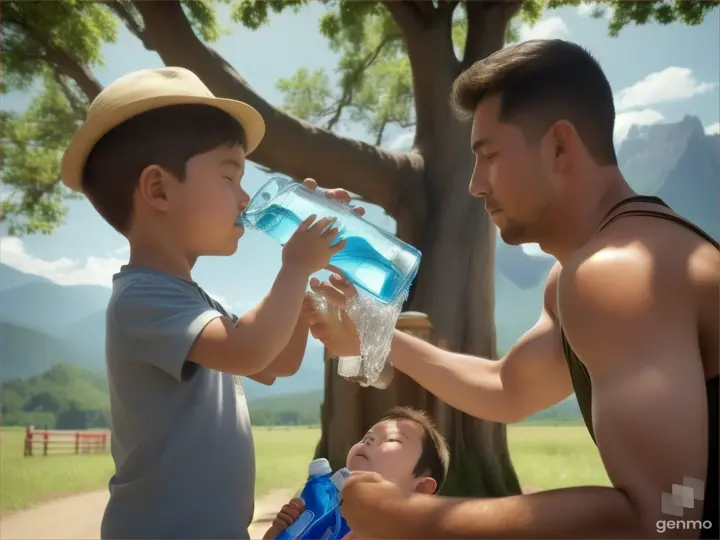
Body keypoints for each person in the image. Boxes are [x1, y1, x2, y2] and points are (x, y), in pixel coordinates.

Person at [307, 39, 719, 539]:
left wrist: (407, 516)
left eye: (490, 155)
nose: (476, 184)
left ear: (560, 146)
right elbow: (508, 388)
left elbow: (665, 519)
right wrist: (376, 334)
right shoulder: (584, 271)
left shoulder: (617, 274)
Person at [59, 66, 363, 539]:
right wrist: (294, 266)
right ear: (158, 189)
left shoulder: (195, 301)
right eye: (229, 176)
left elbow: (275, 361)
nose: (245, 198)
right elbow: (250, 350)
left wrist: (302, 295)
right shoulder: (142, 298)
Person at [262, 406, 450, 539]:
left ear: (420, 488)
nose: (368, 441)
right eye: (367, 437)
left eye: (392, 439)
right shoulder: (326, 510)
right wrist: (279, 530)